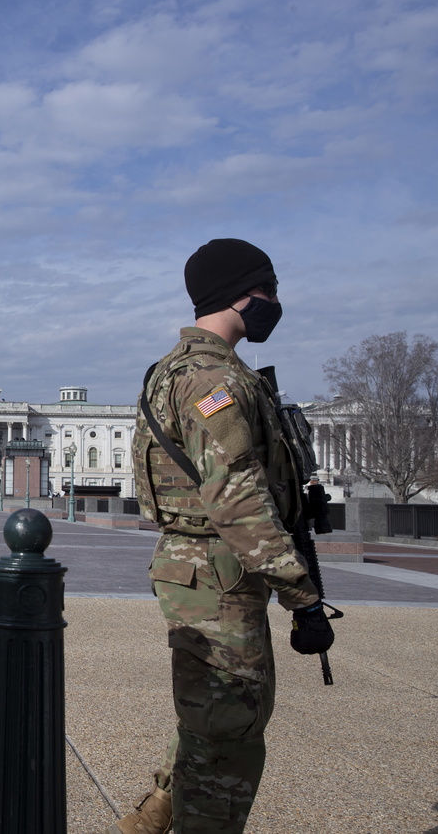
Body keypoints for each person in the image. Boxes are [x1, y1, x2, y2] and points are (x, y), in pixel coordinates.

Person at [119, 239, 334, 834]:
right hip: (220, 571)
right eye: (270, 290)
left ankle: (150, 818)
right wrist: (302, 594)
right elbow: (237, 499)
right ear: (243, 293)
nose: (275, 301)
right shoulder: (213, 380)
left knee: (211, 715)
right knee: (230, 733)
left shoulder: (174, 370)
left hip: (202, 568)